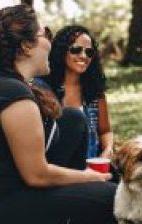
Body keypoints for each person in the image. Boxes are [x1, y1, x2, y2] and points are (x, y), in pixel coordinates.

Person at [0, 5, 117, 224]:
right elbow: (36, 175)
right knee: (119, 200)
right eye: (46, 34)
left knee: (73, 119)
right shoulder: (11, 94)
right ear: (26, 46)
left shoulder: (7, 81)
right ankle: (87, 192)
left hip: (12, 186)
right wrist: (90, 177)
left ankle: (82, 191)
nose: (51, 42)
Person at [37, 25, 114, 160]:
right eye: (76, 50)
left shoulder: (95, 92)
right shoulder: (41, 88)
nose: (84, 56)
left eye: (89, 52)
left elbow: (105, 131)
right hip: (54, 168)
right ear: (61, 51)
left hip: (89, 167)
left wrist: (107, 150)